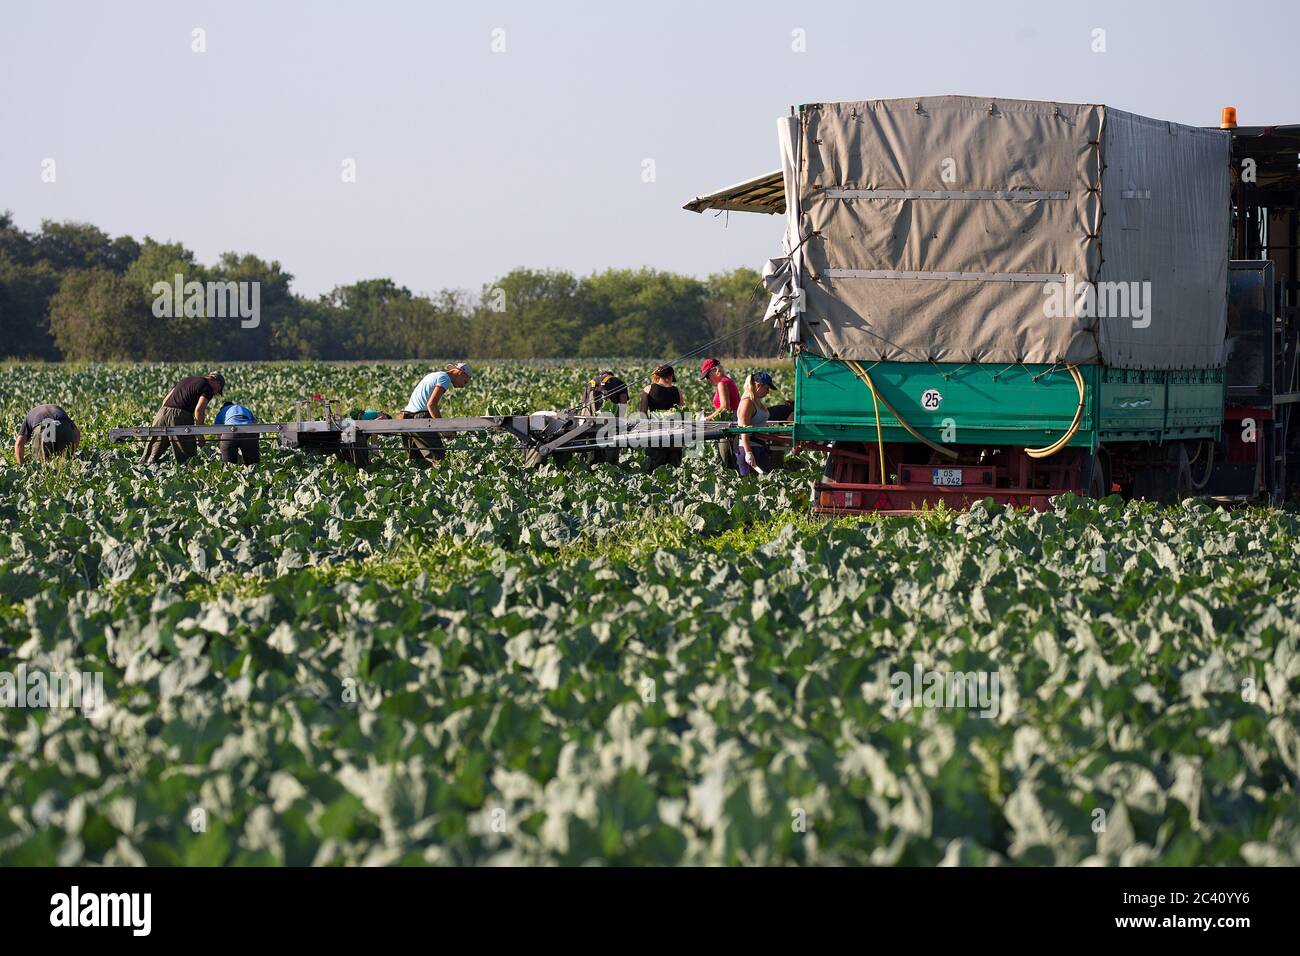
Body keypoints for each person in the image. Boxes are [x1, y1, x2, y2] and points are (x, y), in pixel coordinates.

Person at [141, 372, 225, 463]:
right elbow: (199, 410)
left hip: (161, 413)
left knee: (151, 450)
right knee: (187, 457)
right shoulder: (208, 387)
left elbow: (166, 399)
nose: (215, 392)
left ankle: (143, 468)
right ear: (217, 383)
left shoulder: (185, 379)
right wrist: (200, 436)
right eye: (218, 390)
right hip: (180, 417)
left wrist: (162, 415)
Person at [399, 363, 471, 465]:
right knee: (439, 457)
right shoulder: (444, 378)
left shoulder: (433, 375)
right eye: (465, 381)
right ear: (460, 373)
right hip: (420, 419)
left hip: (406, 418)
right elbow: (431, 405)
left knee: (417, 463)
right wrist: (443, 429)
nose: (463, 386)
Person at [639, 364, 685, 472]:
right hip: (675, 434)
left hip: (655, 433)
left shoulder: (648, 389)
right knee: (674, 467)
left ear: (658, 376)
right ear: (670, 377)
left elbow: (642, 413)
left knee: (655, 466)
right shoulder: (677, 391)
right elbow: (682, 412)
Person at [580, 370, 630, 465]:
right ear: (612, 376)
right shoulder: (619, 383)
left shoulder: (591, 383)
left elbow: (584, 408)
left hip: (592, 425)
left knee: (594, 451)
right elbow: (623, 405)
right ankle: (610, 466)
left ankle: (594, 466)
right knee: (611, 452)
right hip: (612, 425)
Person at [736, 371, 775, 477]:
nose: (768, 392)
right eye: (766, 388)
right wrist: (748, 452)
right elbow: (744, 430)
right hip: (749, 448)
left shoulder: (757, 401)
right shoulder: (747, 403)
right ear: (758, 385)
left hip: (760, 448)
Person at [14, 404, 79, 464]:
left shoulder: (30, 415)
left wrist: (22, 464)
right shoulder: (59, 409)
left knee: (41, 465)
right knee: (65, 462)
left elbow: (19, 443)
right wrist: (71, 452)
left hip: (44, 428)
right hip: (63, 426)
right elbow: (77, 433)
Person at [214, 400, 259, 466]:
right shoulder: (244, 409)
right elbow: (255, 425)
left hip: (229, 433)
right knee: (253, 465)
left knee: (229, 467)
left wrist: (222, 446)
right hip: (248, 431)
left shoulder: (222, 411)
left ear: (223, 408)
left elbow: (218, 433)